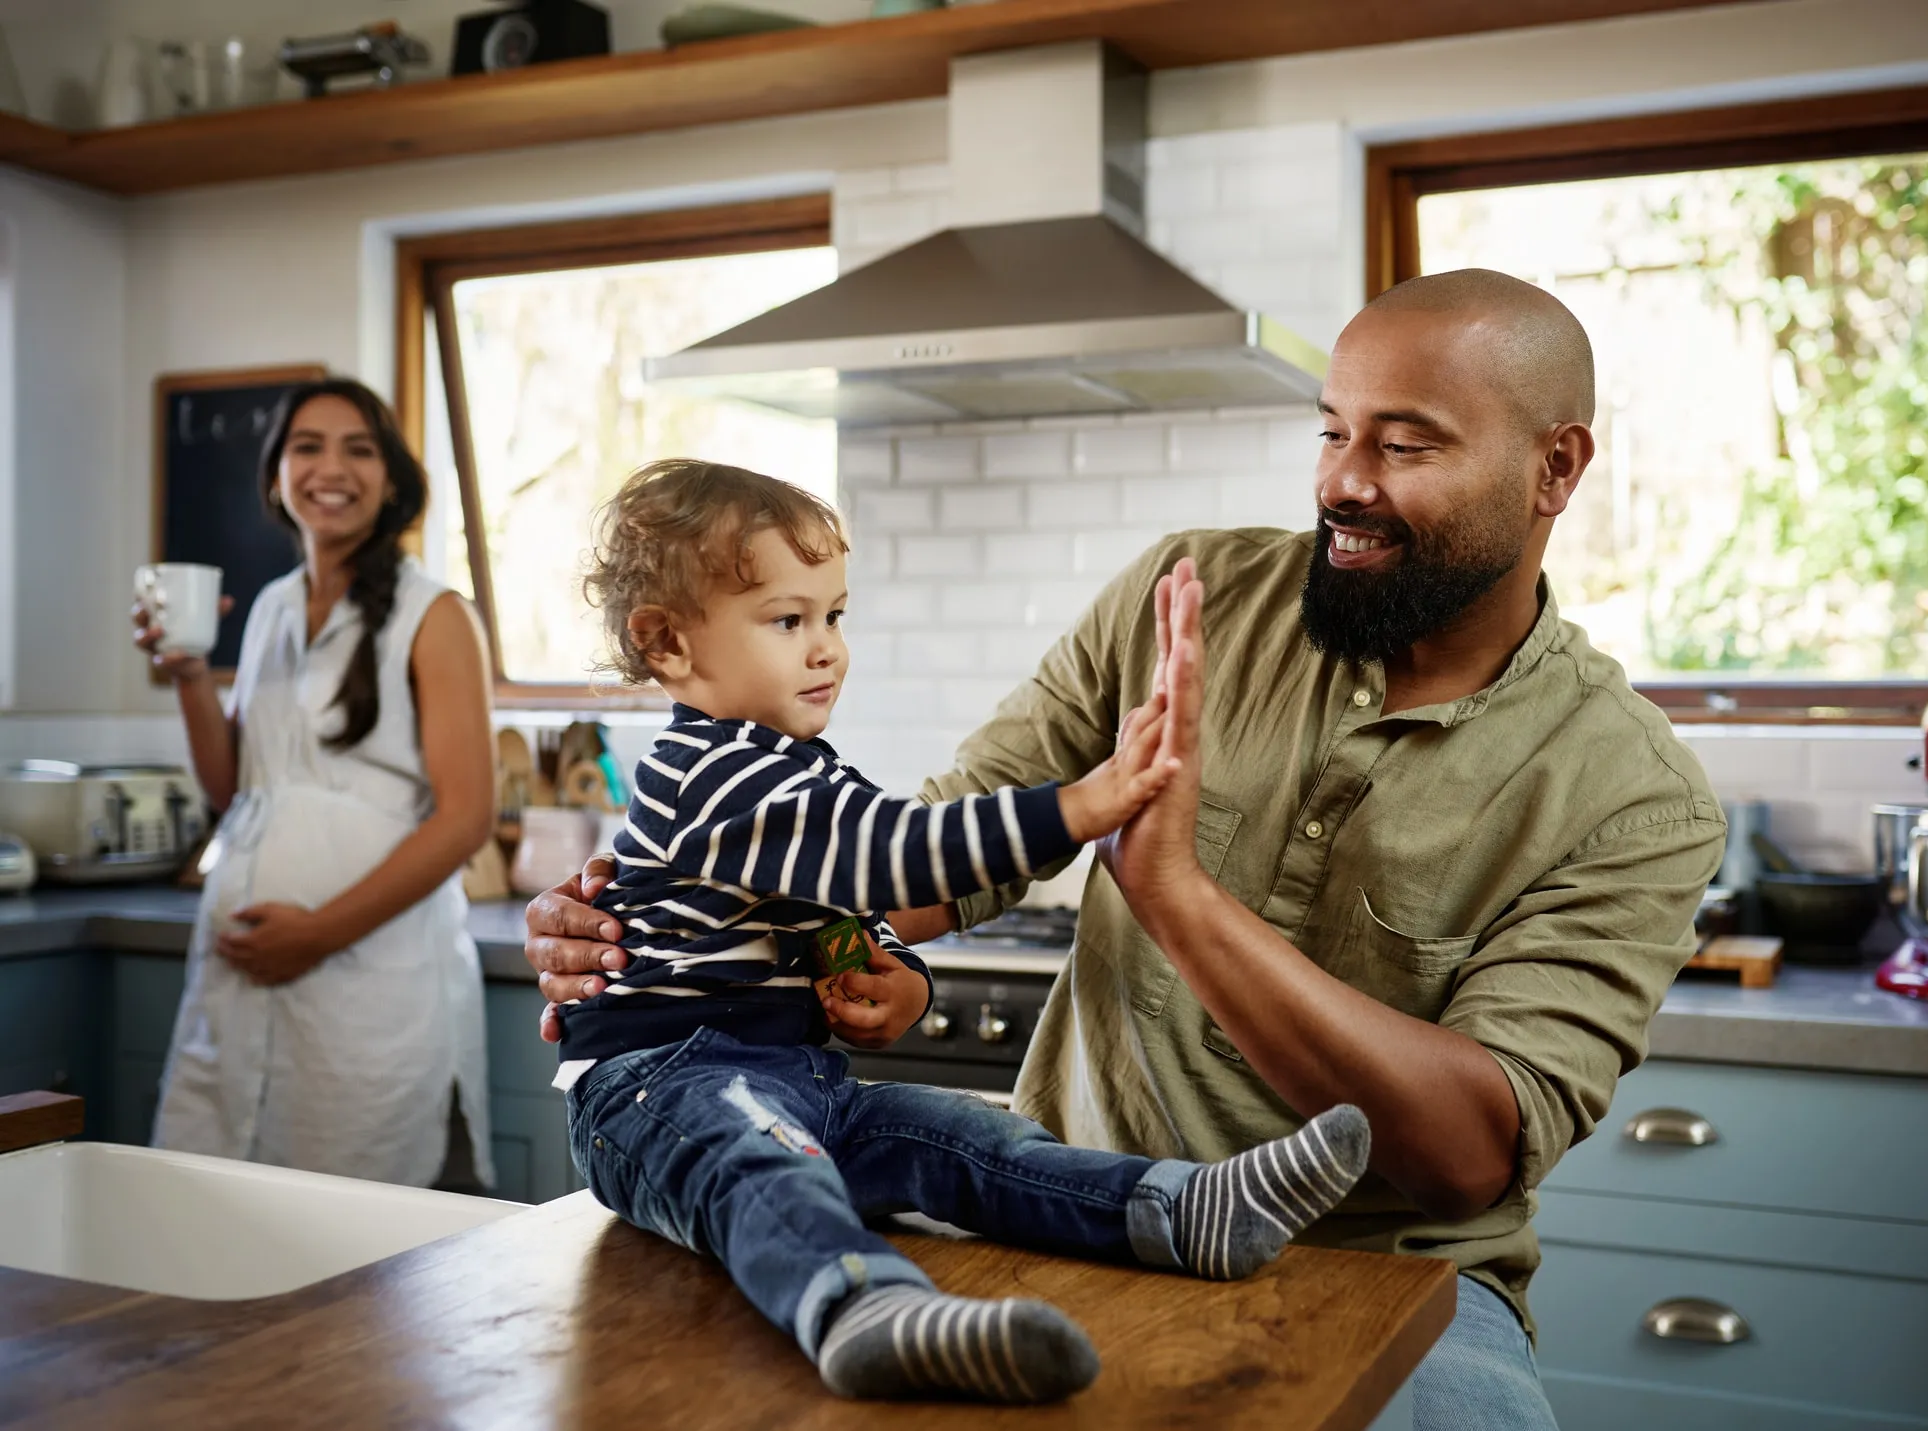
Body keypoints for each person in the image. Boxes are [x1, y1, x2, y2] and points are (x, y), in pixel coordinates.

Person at [527, 271, 1728, 1428]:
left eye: (1406, 446)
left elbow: (1465, 1157)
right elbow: (934, 858)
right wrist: (675, 912)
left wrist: (1178, 898)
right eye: (1332, 434)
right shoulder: (1186, 590)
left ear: (1554, 467)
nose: (1344, 484)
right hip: (1053, 1204)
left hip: (1410, 1278)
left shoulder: (1634, 792)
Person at [556, 460, 1370, 1403]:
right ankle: (864, 1310)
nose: (826, 649)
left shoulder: (792, 768)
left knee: (966, 1139)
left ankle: (1181, 1210)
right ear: (667, 646)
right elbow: (890, 852)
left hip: (791, 1082)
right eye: (789, 620)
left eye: (835, 616)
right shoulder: (708, 773)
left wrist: (900, 975)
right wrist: (1077, 806)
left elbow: (841, 916)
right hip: (661, 1089)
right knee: (758, 1167)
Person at [134, 378, 497, 1192]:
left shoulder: (434, 616)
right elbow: (235, 788)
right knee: (207, 1221)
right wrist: (190, 673)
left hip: (367, 996)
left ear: (392, 480)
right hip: (237, 989)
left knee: (346, 1258)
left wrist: (319, 933)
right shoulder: (267, 609)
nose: (331, 466)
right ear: (275, 477)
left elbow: (467, 818)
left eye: (358, 448)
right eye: (308, 446)